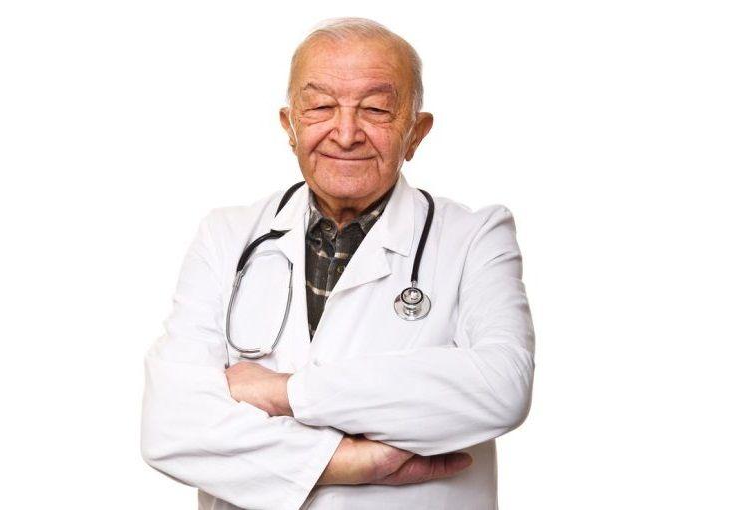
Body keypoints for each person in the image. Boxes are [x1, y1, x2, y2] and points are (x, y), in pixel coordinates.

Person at [141, 17, 535, 510]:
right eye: (321, 107)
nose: (346, 134)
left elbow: (501, 387)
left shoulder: (475, 237)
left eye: (375, 109)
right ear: (289, 126)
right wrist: (348, 462)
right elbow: (170, 426)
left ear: (416, 133)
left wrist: (286, 393)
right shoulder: (225, 236)